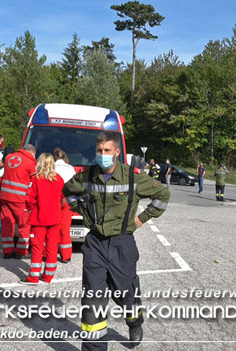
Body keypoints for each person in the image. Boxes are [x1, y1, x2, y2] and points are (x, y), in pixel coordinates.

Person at [63, 132, 170, 349]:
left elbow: (163, 194)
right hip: (95, 244)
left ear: (117, 152)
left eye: (107, 151)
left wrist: (140, 220)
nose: (102, 155)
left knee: (126, 293)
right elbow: (67, 192)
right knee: (92, 299)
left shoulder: (132, 177)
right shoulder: (87, 176)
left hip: (122, 243)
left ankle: (134, 321)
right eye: (99, 151)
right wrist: (83, 212)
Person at [22, 153, 66, 284]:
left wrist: (31, 209)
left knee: (37, 246)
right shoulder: (59, 179)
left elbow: (29, 199)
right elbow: (63, 198)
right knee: (52, 247)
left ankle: (33, 277)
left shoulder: (35, 179)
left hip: (39, 218)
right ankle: (48, 276)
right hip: (55, 218)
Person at [0, 144, 37, 259]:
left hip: (5, 196)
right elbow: (33, 182)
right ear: (31, 152)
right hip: (20, 199)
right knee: (24, 225)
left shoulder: (8, 158)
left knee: (7, 223)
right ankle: (20, 251)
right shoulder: (30, 163)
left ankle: (7, 251)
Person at [54, 147, 76, 263]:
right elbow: (74, 186)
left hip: (51, 201)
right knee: (65, 229)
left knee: (51, 229)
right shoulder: (70, 168)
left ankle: (47, 253)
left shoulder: (50, 167)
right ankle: (66, 256)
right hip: (66, 201)